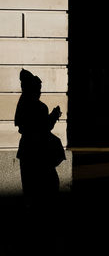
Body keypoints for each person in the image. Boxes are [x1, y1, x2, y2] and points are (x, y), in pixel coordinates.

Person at [14, 69, 65, 210]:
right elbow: (44, 128)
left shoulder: (22, 105)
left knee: (30, 190)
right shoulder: (39, 107)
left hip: (26, 150)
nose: (40, 92)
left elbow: (22, 125)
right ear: (34, 89)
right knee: (48, 187)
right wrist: (54, 116)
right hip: (40, 152)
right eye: (39, 89)